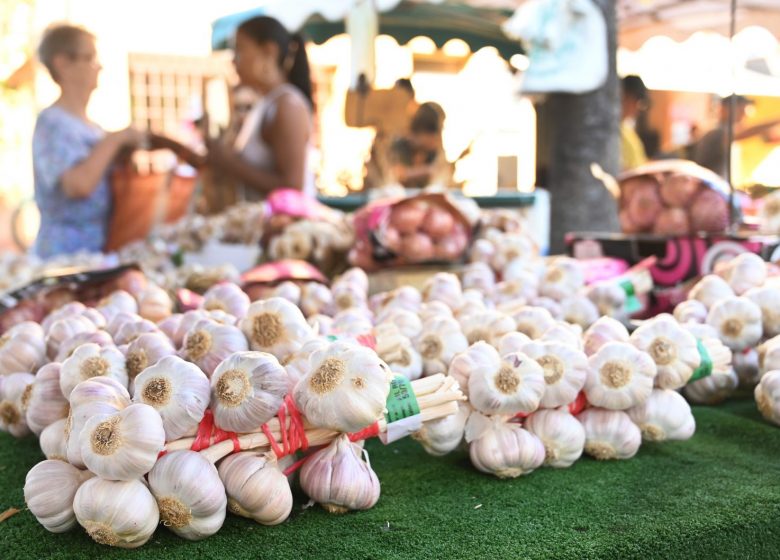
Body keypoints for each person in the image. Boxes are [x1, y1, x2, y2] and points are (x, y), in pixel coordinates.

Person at [32, 24, 144, 258]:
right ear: (62, 63)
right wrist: (115, 140)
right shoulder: (52, 123)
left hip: (99, 250)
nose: (99, 66)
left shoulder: (92, 128)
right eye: (90, 57)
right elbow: (78, 185)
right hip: (64, 258)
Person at [205, 16, 315, 199]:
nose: (233, 61)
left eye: (239, 50)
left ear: (268, 51)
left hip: (286, 227)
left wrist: (229, 163)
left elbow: (292, 188)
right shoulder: (267, 103)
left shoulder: (287, 105)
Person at [693, 95, 780, 180]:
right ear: (724, 109)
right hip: (710, 188)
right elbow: (748, 132)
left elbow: (767, 137)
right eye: (741, 110)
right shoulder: (717, 132)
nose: (745, 115)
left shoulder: (724, 131)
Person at [389, 102, 453, 189]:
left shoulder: (433, 152)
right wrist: (427, 171)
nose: (438, 138)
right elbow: (396, 174)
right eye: (436, 133)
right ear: (422, 132)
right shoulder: (400, 145)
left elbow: (443, 174)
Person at [620, 75, 649, 171]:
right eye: (637, 102)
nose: (638, 108)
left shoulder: (628, 131)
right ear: (624, 95)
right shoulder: (607, 132)